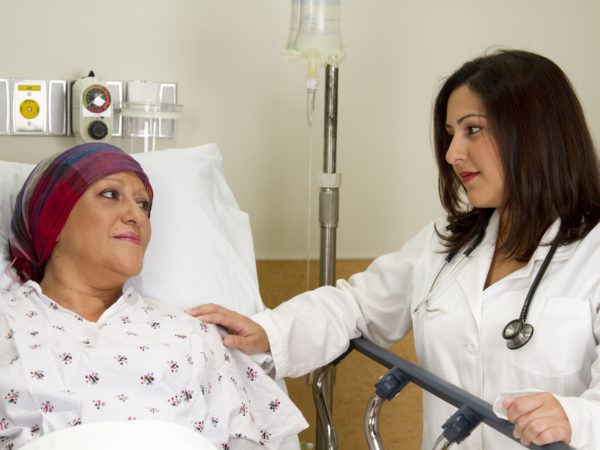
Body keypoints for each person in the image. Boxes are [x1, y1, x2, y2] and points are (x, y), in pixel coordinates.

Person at [187, 49, 600, 450]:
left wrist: (575, 418)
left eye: (473, 129)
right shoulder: (445, 246)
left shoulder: (592, 254)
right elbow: (356, 306)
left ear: (534, 132)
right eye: (450, 134)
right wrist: (269, 332)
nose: (453, 154)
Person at [0, 143, 307, 449]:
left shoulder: (193, 333)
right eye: (110, 194)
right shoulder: (7, 323)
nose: (136, 216)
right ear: (53, 216)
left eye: (143, 204)